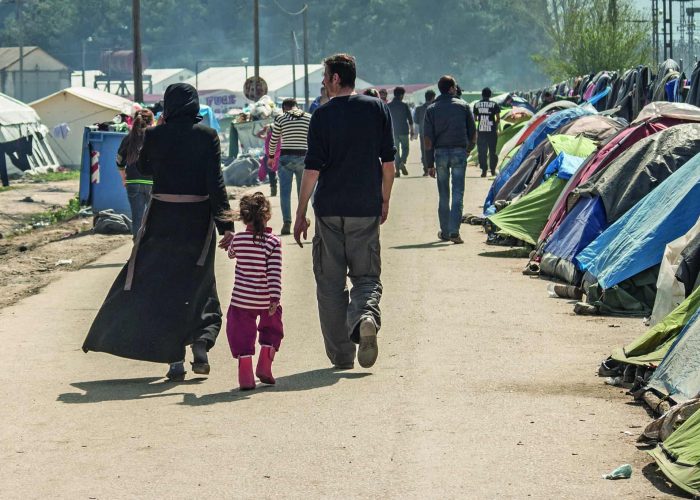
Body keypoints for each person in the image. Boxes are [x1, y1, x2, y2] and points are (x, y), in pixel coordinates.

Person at [82, 83, 234, 380]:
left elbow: (145, 168)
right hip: (197, 220)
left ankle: (174, 358)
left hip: (163, 219)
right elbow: (215, 182)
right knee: (199, 282)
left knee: (164, 285)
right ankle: (201, 342)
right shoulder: (207, 136)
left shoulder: (153, 135)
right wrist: (226, 225)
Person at [293, 53, 396, 370]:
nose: (323, 82)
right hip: (364, 209)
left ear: (336, 78)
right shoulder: (377, 108)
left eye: (325, 76)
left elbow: (312, 170)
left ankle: (341, 355)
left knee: (330, 284)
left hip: (329, 211)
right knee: (366, 276)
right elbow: (388, 164)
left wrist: (300, 213)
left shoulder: (321, 116)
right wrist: (384, 199)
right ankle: (365, 316)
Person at [225, 192, 283, 391]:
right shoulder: (273, 242)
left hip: (241, 300)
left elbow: (231, 254)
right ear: (267, 216)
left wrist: (233, 241)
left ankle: (246, 376)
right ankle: (265, 365)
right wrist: (275, 298)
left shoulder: (239, 240)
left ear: (243, 217)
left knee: (240, 333)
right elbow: (274, 272)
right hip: (266, 299)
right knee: (272, 329)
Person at [423, 75, 477, 244]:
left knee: (443, 194)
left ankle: (445, 231)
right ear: (452, 88)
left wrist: (429, 164)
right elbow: (473, 133)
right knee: (458, 192)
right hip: (459, 152)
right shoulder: (463, 106)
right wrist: (468, 150)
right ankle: (454, 231)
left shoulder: (431, 109)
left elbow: (428, 140)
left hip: (440, 154)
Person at [268, 98, 311, 235]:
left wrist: (271, 157)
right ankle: (302, 219)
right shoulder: (309, 118)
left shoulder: (281, 118)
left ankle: (287, 223)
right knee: (302, 192)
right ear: (296, 106)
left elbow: (274, 139)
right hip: (304, 157)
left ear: (284, 108)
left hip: (285, 158)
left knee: (285, 193)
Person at [116, 108, 155, 238]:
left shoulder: (128, 138)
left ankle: (137, 252)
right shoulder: (155, 137)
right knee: (154, 219)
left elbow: (119, 161)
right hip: (153, 183)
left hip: (132, 182)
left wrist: (124, 178)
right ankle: (150, 251)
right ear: (151, 122)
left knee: (137, 218)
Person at [473, 87, 501, 177]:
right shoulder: (494, 104)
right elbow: (498, 119)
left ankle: (484, 171)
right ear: (490, 95)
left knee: (482, 152)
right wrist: (494, 125)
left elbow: (475, 119)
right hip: (492, 131)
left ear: (482, 94)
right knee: (492, 151)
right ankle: (492, 170)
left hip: (481, 131)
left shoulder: (477, 105)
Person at [387, 86, 414, 177]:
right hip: (404, 131)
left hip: (393, 132)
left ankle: (397, 170)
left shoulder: (389, 105)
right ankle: (402, 162)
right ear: (402, 95)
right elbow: (410, 119)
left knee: (396, 151)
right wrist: (412, 131)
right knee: (405, 148)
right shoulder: (404, 105)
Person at [414, 89, 436, 176]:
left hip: (423, 133)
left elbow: (416, 122)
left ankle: (426, 170)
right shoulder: (435, 107)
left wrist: (415, 133)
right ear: (433, 98)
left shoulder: (419, 109)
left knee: (424, 151)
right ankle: (435, 167)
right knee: (436, 150)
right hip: (435, 133)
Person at [255, 124, 279, 197]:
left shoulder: (270, 138)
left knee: (272, 173)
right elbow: (258, 135)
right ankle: (274, 190)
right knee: (272, 174)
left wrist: (263, 130)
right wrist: (264, 130)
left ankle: (273, 190)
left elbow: (258, 135)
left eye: (268, 130)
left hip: (271, 157)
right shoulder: (276, 137)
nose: (267, 131)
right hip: (276, 157)